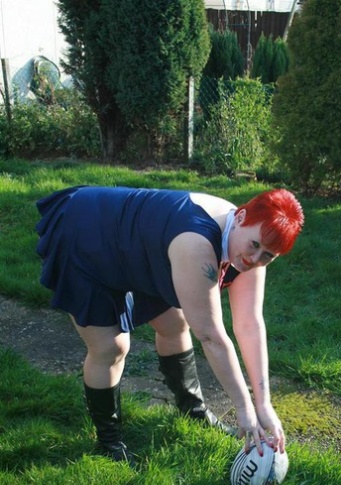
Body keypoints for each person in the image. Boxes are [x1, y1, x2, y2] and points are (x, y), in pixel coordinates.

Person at [35, 185, 304, 465]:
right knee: (110, 347)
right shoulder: (197, 243)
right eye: (255, 245)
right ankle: (109, 442)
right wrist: (243, 408)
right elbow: (211, 336)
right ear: (241, 217)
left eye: (268, 256)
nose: (255, 259)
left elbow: (249, 325)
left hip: (143, 247)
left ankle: (193, 409)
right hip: (89, 233)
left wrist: (263, 405)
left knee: (175, 323)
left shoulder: (247, 245)